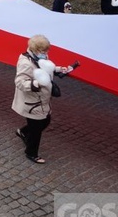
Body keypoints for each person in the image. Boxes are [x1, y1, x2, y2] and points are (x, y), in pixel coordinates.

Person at [12, 35, 74, 164]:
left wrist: (58, 69)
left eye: (47, 51)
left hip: (41, 100)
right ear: (35, 49)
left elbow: (47, 69)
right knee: (36, 130)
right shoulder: (26, 63)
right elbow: (20, 82)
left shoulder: (40, 58)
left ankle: (23, 132)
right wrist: (36, 84)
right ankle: (31, 153)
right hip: (33, 102)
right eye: (43, 51)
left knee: (45, 121)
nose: (46, 54)